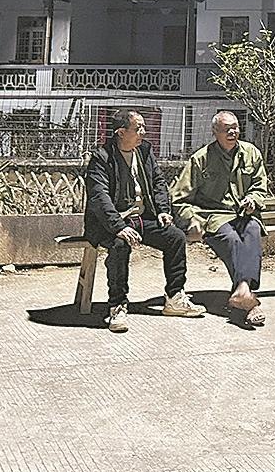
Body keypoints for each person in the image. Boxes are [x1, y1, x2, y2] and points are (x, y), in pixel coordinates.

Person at [83, 110, 204, 332]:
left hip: (141, 219)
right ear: (121, 132)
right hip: (111, 223)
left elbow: (158, 182)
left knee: (175, 237)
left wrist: (163, 211)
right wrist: (118, 227)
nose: (143, 132)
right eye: (138, 128)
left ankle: (174, 298)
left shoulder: (144, 151)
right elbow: (99, 197)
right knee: (120, 245)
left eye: (143, 127)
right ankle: (117, 306)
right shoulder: (101, 158)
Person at [170, 110, 269, 327]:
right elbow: (179, 199)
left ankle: (242, 291)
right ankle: (247, 297)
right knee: (232, 239)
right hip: (214, 216)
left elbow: (260, 186)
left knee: (252, 230)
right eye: (226, 129)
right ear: (215, 132)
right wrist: (193, 220)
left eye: (235, 127)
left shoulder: (251, 153)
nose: (233, 132)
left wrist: (253, 199)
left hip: (244, 213)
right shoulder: (201, 159)